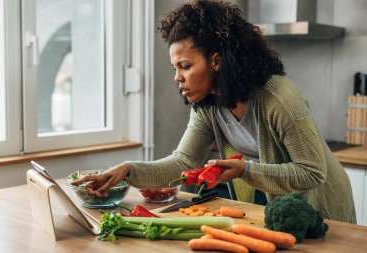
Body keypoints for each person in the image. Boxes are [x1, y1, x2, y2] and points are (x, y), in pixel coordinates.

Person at [72, 0, 356, 223]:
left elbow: (312, 172)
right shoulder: (208, 105)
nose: (177, 78)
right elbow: (182, 162)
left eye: (185, 66)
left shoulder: (278, 99)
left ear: (216, 60)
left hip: (324, 207)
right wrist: (127, 171)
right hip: (282, 206)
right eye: (175, 68)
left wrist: (245, 169)